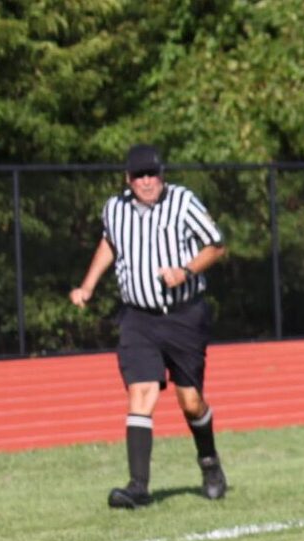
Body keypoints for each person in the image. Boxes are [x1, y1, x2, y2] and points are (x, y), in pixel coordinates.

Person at [70, 143, 229, 508]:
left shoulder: (183, 202)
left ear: (162, 175)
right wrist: (88, 285)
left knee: (190, 402)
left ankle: (209, 462)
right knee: (141, 391)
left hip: (183, 315)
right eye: (139, 175)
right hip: (138, 317)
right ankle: (138, 486)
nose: (146, 181)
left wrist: (185, 270)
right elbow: (110, 242)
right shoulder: (115, 209)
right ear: (128, 179)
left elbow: (216, 245)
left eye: (152, 174)